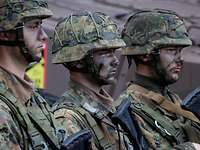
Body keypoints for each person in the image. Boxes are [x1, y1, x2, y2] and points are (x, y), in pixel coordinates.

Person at [0, 0, 92, 149]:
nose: (43, 36)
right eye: (33, 26)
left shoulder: (32, 95)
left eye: (40, 25)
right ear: (5, 34)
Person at [115, 9, 200, 150]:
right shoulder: (127, 113)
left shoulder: (171, 99)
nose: (180, 59)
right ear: (145, 55)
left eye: (180, 51)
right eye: (172, 50)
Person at [52, 11, 134, 150]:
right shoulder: (67, 119)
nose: (115, 60)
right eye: (104, 53)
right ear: (78, 61)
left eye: (113, 52)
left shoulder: (108, 108)